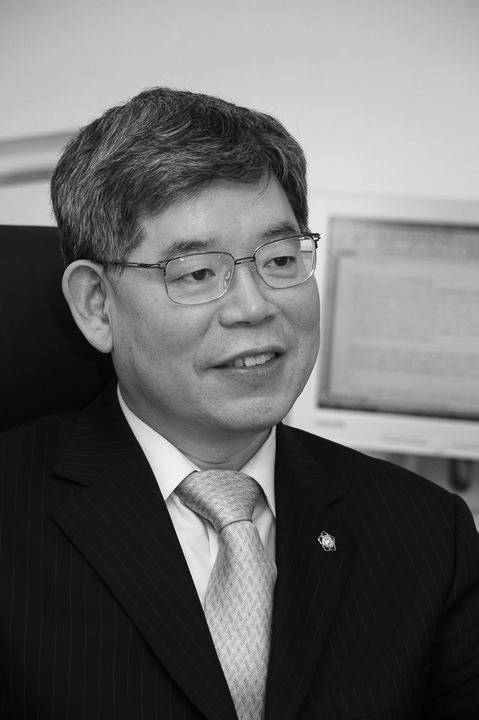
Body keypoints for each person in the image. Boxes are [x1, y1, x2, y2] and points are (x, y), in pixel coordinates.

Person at [1, 87, 478, 720]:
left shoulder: (428, 533)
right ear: (97, 305)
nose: (254, 306)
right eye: (197, 272)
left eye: (279, 259)